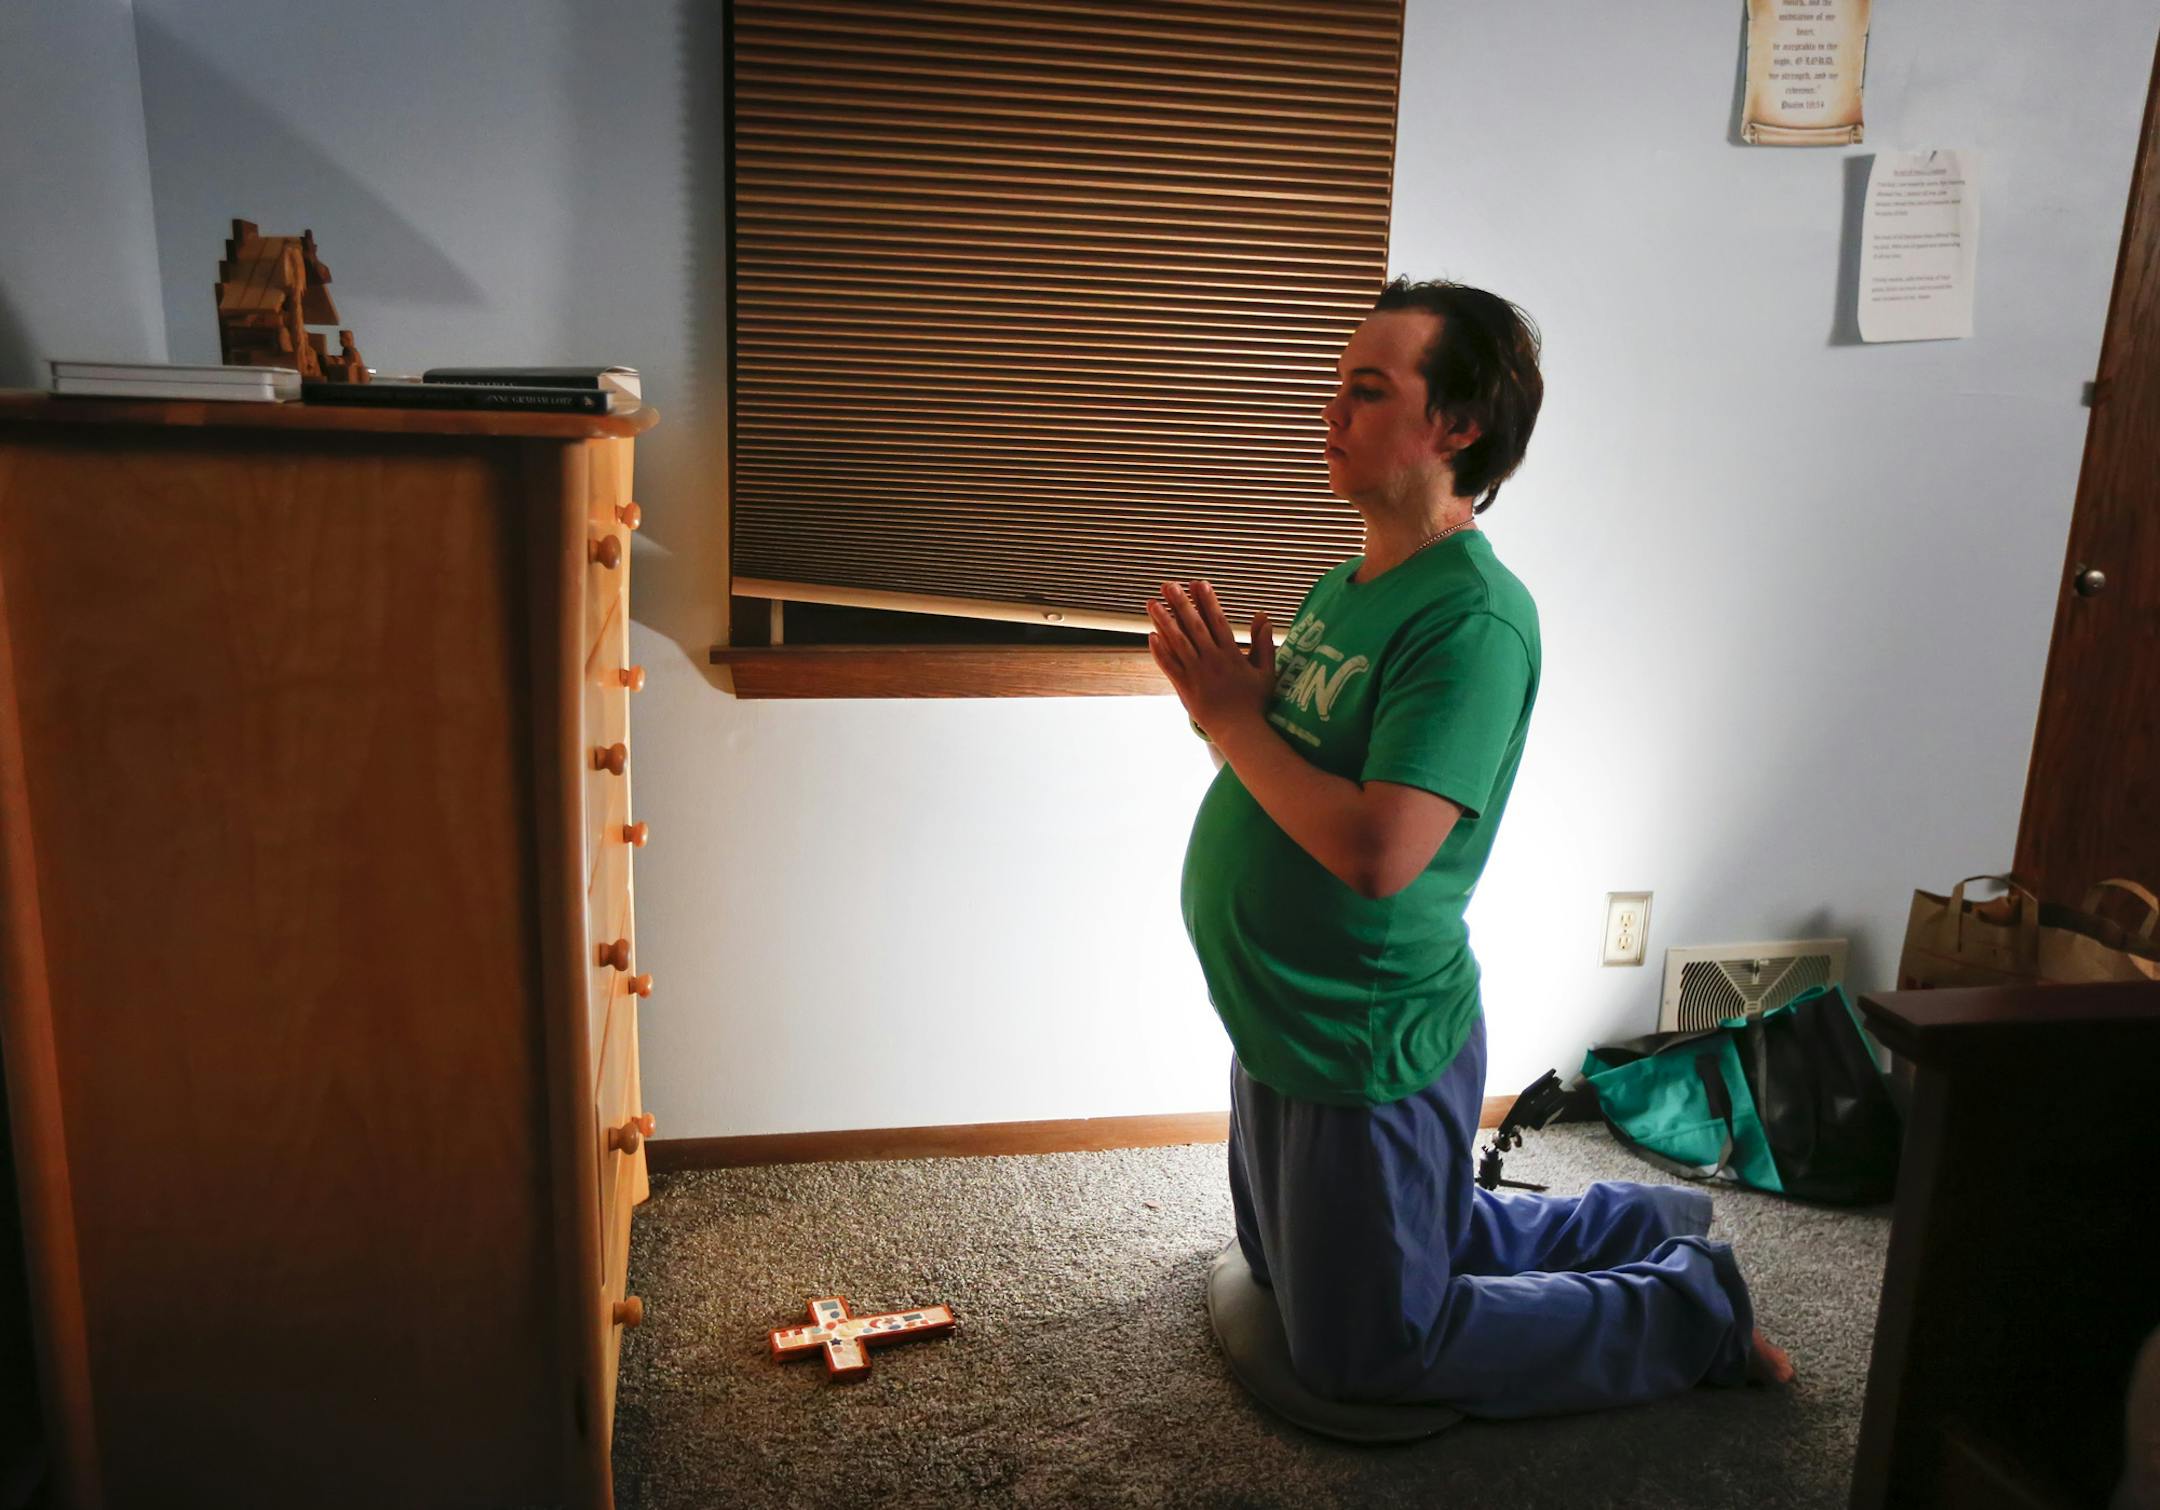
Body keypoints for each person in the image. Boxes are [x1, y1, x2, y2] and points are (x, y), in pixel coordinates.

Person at [1145, 277, 1793, 1416]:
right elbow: (1296, 791)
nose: (1331, 409)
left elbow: (1380, 854)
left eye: (1367, 388)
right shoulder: (1347, 585)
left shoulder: (1472, 618)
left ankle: (1688, 1311)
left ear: (1458, 426)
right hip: (1281, 1014)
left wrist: (1236, 718)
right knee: (1313, 1265)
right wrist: (1225, 720)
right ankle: (1647, 1216)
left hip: (1365, 1030)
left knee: (1371, 1354)